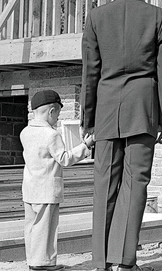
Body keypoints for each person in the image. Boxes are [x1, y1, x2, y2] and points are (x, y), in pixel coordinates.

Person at [81, 0, 162, 271]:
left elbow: (90, 72)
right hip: (143, 109)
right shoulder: (159, 17)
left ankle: (100, 261)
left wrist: (87, 120)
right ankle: (123, 261)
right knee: (135, 183)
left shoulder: (96, 17)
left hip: (106, 109)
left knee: (104, 184)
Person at [20, 89, 95, 271]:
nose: (57, 119)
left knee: (31, 226)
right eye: (58, 115)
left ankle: (33, 261)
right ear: (51, 111)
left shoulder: (25, 132)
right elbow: (65, 158)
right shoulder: (51, 135)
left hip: (29, 189)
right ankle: (43, 264)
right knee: (46, 229)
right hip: (47, 190)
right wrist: (86, 145)